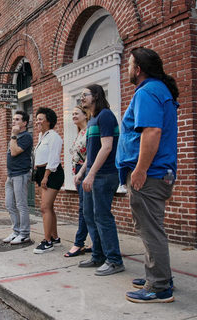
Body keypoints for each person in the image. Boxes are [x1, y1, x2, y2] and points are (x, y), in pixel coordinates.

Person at [117, 47, 179, 303]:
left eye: (129, 64)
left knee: (150, 229)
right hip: (156, 172)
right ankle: (157, 273)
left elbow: (151, 132)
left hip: (149, 173)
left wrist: (140, 170)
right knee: (149, 227)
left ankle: (159, 286)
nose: (127, 69)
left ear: (138, 69)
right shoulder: (158, 90)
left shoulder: (147, 91)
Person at [74, 84, 125, 276]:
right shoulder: (93, 119)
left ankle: (114, 260)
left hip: (105, 175)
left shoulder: (105, 116)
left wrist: (92, 173)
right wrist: (82, 172)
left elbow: (107, 147)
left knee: (103, 217)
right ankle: (98, 256)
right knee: (89, 215)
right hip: (93, 173)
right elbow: (92, 152)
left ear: (96, 95)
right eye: (80, 96)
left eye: (84, 95)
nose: (81, 98)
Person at [32, 107, 64, 254]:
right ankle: (54, 237)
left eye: (40, 118)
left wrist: (45, 176)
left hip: (51, 173)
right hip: (41, 173)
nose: (37, 121)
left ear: (48, 121)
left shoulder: (54, 137)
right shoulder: (42, 137)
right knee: (49, 207)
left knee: (44, 208)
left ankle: (47, 242)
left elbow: (54, 159)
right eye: (36, 118)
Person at [65, 105, 92, 257]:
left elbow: (91, 155)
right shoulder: (80, 132)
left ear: (85, 114)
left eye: (76, 113)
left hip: (84, 173)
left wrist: (81, 173)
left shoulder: (89, 131)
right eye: (72, 113)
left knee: (84, 210)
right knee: (87, 209)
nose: (73, 116)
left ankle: (78, 243)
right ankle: (94, 241)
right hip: (78, 175)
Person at [3, 110, 33, 245]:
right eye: (13, 119)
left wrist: (13, 135)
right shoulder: (14, 136)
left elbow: (14, 152)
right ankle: (16, 231)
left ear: (24, 123)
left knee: (21, 204)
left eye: (17, 120)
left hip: (21, 174)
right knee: (9, 204)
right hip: (11, 175)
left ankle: (24, 233)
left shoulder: (26, 136)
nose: (13, 122)